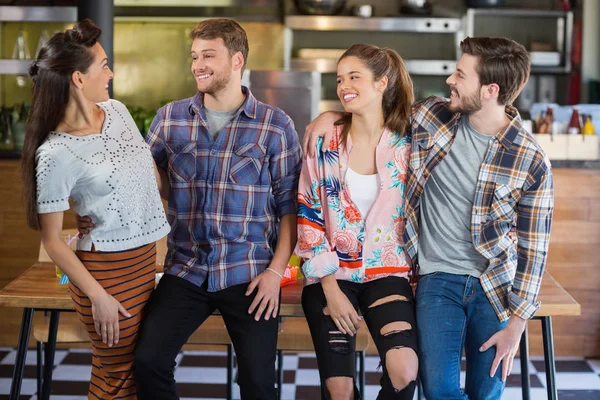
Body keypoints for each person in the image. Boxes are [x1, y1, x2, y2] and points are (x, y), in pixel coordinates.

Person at [303, 36, 554, 400]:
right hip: (438, 281)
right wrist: (332, 116)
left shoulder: (530, 160)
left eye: (460, 74)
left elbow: (535, 251)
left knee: (486, 393)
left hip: (494, 286)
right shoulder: (432, 118)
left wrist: (517, 324)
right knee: (438, 391)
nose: (450, 80)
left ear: (490, 90)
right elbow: (373, 114)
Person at [77, 18, 301, 400]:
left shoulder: (275, 126)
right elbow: (148, 187)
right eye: (195, 56)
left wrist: (275, 273)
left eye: (208, 56)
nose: (198, 64)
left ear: (237, 60)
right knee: (147, 362)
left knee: (259, 383)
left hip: (248, 272)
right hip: (186, 269)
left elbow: (289, 209)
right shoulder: (170, 117)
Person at [21, 19, 170, 399]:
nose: (111, 72)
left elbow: (149, 178)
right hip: (105, 272)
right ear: (77, 79)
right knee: (118, 374)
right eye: (103, 65)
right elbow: (54, 242)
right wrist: (97, 296)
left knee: (136, 371)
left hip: (144, 260)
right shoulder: (55, 153)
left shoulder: (117, 111)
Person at [296, 44, 418, 400]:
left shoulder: (409, 145)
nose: (343, 85)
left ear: (382, 83)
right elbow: (308, 213)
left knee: (404, 372)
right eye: (339, 79)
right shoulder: (324, 141)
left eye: (354, 77)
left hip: (387, 274)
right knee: (339, 388)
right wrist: (331, 290)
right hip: (330, 275)